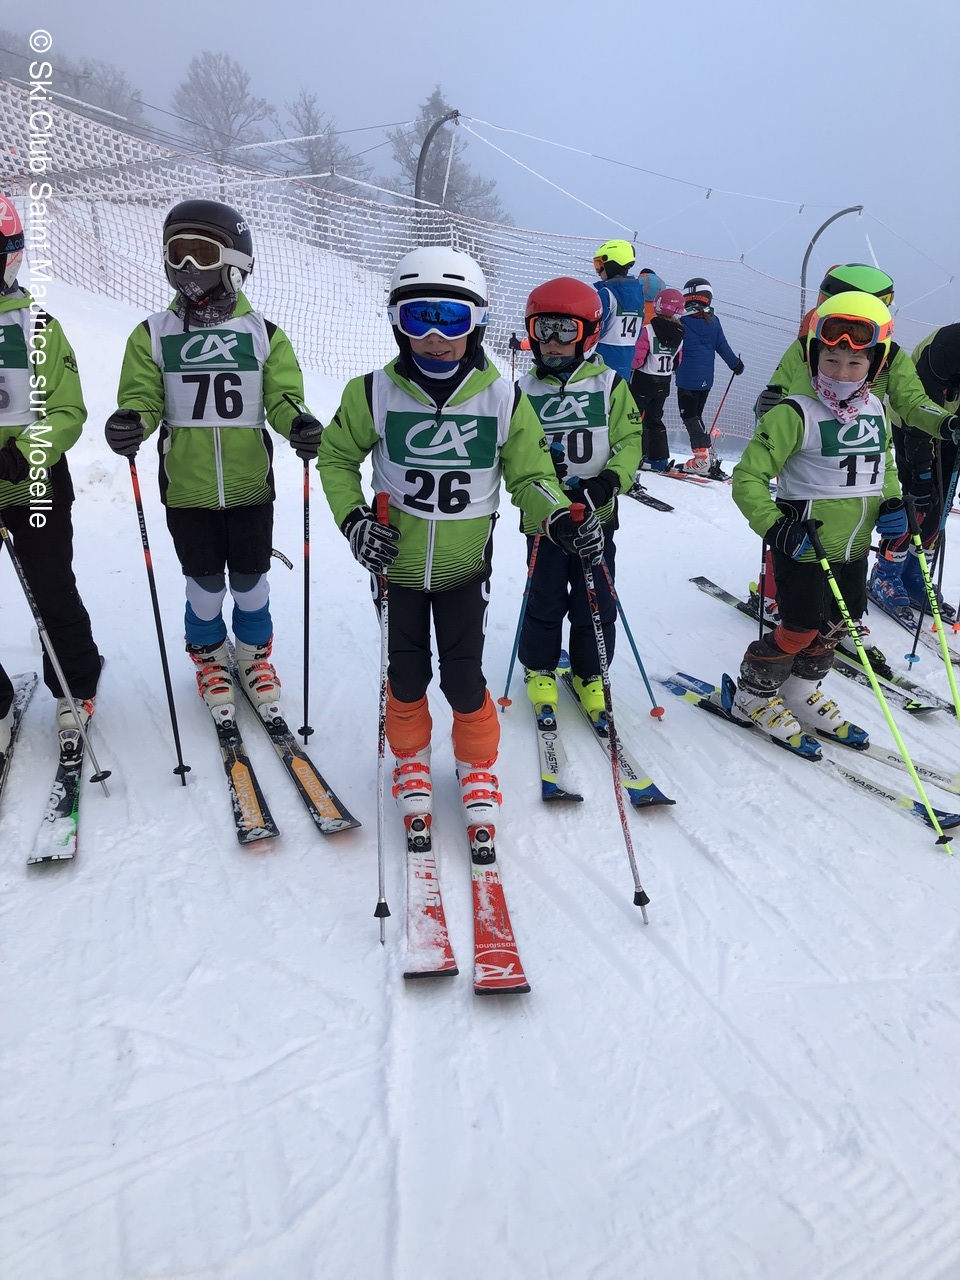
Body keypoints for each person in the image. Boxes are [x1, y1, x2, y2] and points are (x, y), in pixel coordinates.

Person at [316, 247, 600, 833]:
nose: (435, 338)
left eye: (451, 319)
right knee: (406, 675)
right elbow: (336, 458)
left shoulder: (503, 398)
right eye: (419, 318)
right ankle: (410, 759)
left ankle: (477, 766)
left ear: (478, 323)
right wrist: (355, 521)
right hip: (396, 568)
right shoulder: (372, 392)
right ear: (397, 322)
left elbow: (531, 477)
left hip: (464, 568)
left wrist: (559, 517)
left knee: (464, 678)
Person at [105, 199, 320, 724]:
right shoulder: (154, 333)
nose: (187, 267)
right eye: (176, 253)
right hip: (187, 488)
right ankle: (208, 660)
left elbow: (282, 395)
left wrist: (297, 421)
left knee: (250, 581)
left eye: (201, 254)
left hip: (249, 485)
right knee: (203, 585)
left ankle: (252, 658)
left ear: (235, 262)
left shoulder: (263, 334)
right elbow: (143, 397)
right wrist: (132, 420)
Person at [730, 292, 907, 751]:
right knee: (800, 627)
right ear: (813, 356)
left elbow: (884, 467)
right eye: (831, 360)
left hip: (854, 546)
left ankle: (800, 692)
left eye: (854, 363)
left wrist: (892, 503)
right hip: (805, 544)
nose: (841, 373)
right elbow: (747, 478)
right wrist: (776, 527)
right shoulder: (794, 412)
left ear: (874, 363)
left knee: (836, 624)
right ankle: (752, 695)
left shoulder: (875, 411)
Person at [752, 264, 959, 619]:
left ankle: (836, 613)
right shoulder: (809, 347)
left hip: (861, 449)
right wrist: (770, 405)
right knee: (797, 523)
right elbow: (780, 390)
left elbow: (912, 402)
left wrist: (945, 422)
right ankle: (777, 595)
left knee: (850, 529)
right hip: (810, 446)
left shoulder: (889, 355)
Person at [514, 277, 644, 718]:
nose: (552, 341)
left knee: (597, 599)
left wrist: (607, 482)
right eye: (543, 329)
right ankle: (540, 667)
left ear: (588, 334)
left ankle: (591, 672)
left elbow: (631, 442)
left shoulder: (609, 384)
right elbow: (511, 452)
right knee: (544, 595)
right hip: (544, 519)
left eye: (564, 330)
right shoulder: (522, 391)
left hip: (595, 515)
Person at [0, 192, 103, 733]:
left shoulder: (36, 325)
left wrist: (24, 452)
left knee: (51, 588)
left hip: (35, 482)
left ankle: (75, 686)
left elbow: (68, 410)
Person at [674, 277, 743, 475]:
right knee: (696, 416)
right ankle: (705, 455)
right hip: (706, 380)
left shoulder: (682, 321)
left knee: (689, 416)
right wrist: (735, 364)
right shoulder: (713, 321)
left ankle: (701, 459)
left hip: (687, 379)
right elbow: (722, 346)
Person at [628, 287, 685, 477]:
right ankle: (659, 459)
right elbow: (677, 362)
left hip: (644, 380)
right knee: (655, 419)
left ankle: (638, 455)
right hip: (664, 382)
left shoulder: (648, 330)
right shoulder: (680, 334)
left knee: (635, 417)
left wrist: (631, 366)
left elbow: (637, 360)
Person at [591, 240, 648, 381]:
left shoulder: (606, 293)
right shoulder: (639, 295)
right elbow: (639, 329)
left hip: (601, 360)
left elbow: (594, 331)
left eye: (599, 265)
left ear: (611, 264)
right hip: (626, 360)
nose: (598, 271)